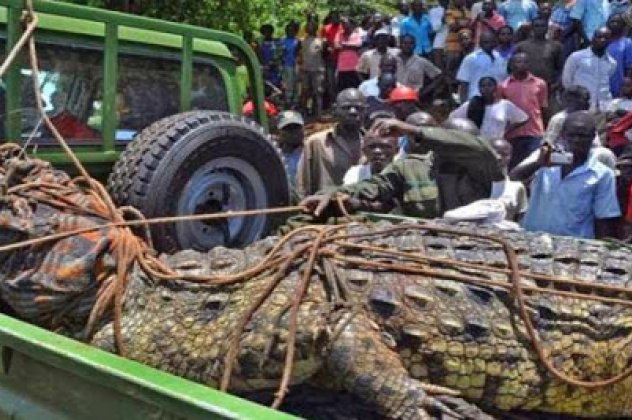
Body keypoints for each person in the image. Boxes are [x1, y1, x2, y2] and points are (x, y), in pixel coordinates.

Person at [299, 117, 504, 218]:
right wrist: (334, 193)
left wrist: (413, 130)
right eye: (451, 142)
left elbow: (479, 149)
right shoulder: (410, 168)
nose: (457, 150)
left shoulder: (483, 167)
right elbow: (373, 186)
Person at [513, 111, 620, 239]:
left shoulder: (602, 174)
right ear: (563, 135)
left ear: (592, 137)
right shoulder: (544, 159)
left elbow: (604, 219)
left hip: (574, 247)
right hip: (533, 239)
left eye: (582, 136)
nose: (576, 140)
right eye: (571, 135)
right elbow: (513, 178)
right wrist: (538, 164)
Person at [296, 89, 367, 198]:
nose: (353, 112)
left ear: (366, 111)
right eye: (346, 107)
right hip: (325, 211)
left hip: (364, 210)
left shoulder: (375, 145)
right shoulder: (316, 143)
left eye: (359, 108)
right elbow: (302, 186)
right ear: (335, 110)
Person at [499, 52, 549, 168]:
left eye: (525, 62)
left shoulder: (540, 83)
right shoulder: (503, 86)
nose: (522, 64)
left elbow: (543, 107)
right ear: (511, 65)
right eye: (518, 62)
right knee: (514, 166)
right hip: (512, 133)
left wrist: (546, 129)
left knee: (533, 164)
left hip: (534, 131)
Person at [449, 76, 528, 140]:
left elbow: (523, 118)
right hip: (477, 143)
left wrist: (506, 130)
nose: (486, 88)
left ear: (496, 87)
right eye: (483, 86)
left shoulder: (505, 105)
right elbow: (453, 117)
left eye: (489, 85)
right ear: (479, 89)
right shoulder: (471, 104)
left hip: (496, 144)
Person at [562, 26, 616, 112]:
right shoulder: (576, 57)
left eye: (606, 38)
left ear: (610, 40)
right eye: (599, 37)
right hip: (580, 108)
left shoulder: (612, 63)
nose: (602, 40)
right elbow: (567, 82)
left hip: (603, 109)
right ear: (592, 38)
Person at [515, 17, 564, 98]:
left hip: (549, 88)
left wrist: (556, 84)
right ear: (532, 28)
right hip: (526, 86)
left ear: (547, 28)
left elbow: (561, 68)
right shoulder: (521, 46)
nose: (540, 28)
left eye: (542, 26)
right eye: (536, 26)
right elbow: (514, 67)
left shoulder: (556, 46)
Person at [457, 31, 508, 102]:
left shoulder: (500, 58)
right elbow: (464, 83)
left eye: (491, 42)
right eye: (486, 42)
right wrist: (463, 104)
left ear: (495, 43)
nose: (489, 44)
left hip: (497, 101)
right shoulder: (470, 58)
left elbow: (504, 80)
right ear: (480, 43)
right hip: (475, 100)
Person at [487, 138, 528, 221]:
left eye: (504, 154)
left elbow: (520, 217)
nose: (499, 157)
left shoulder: (517, 187)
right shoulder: (474, 182)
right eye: (495, 153)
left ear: (510, 157)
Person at [276, 111, 305, 202]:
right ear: (279, 132)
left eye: (296, 127)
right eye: (288, 128)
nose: (293, 132)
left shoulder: (312, 152)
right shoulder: (276, 157)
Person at [301, 21, 326, 119]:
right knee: (305, 91)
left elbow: (324, 55)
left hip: (318, 69)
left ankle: (319, 113)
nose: (309, 28)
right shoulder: (302, 41)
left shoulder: (320, 41)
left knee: (318, 91)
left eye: (311, 26)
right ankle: (305, 112)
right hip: (305, 69)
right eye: (308, 27)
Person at [606, 13, 632, 98]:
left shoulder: (627, 43)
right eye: (612, 21)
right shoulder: (602, 41)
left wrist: (627, 85)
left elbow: (629, 66)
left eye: (618, 22)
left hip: (619, 85)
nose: (614, 24)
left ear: (623, 25)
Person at [335, 17, 363, 91]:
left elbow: (358, 46)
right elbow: (337, 46)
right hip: (342, 68)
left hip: (354, 67)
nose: (344, 25)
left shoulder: (356, 35)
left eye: (346, 23)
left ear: (350, 24)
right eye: (343, 24)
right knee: (342, 89)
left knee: (354, 88)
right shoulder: (339, 34)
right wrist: (350, 46)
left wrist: (344, 45)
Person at [322, 11, 343, 107]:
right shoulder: (326, 28)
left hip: (342, 60)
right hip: (330, 59)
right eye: (333, 17)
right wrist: (326, 46)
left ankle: (341, 101)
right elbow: (323, 42)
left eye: (337, 17)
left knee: (339, 81)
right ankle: (333, 102)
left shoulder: (343, 28)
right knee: (330, 82)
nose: (335, 19)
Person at [281, 22, 301, 109]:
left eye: (292, 30)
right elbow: (281, 54)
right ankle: (288, 102)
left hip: (297, 65)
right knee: (289, 84)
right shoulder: (282, 41)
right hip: (287, 64)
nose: (290, 32)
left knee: (297, 84)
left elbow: (300, 53)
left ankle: (296, 102)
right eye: (288, 30)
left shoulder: (298, 41)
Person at [258, 24, 282, 88]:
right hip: (265, 68)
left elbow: (280, 54)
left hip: (275, 68)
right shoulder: (260, 43)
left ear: (272, 32)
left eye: (269, 31)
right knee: (266, 85)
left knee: (276, 85)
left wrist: (274, 62)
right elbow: (260, 55)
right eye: (265, 32)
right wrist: (264, 65)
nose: (267, 33)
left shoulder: (277, 42)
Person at [429, 0, 450, 68]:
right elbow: (435, 28)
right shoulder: (434, 11)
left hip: (453, 42)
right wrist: (442, 21)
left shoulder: (454, 9)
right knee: (439, 67)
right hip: (439, 42)